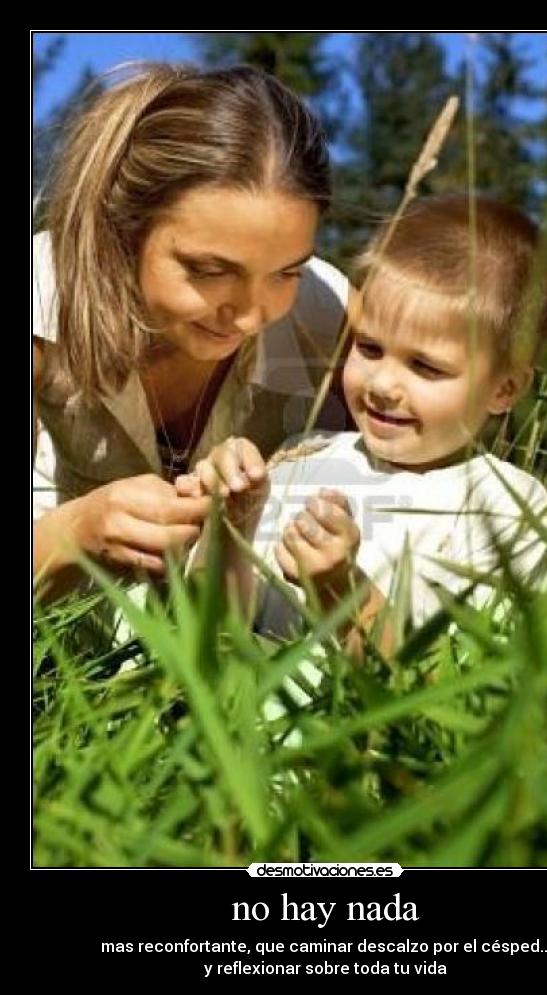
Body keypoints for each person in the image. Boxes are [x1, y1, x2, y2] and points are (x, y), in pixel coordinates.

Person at [182, 196, 547, 653]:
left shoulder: (503, 508)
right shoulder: (302, 455)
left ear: (504, 389)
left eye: (425, 367)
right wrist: (232, 525)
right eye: (369, 348)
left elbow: (449, 684)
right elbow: (218, 630)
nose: (382, 383)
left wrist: (342, 592)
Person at [33, 62, 351, 598]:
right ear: (124, 231)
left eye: (287, 271)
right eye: (208, 270)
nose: (251, 317)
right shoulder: (42, 304)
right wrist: (74, 533)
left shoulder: (328, 313)